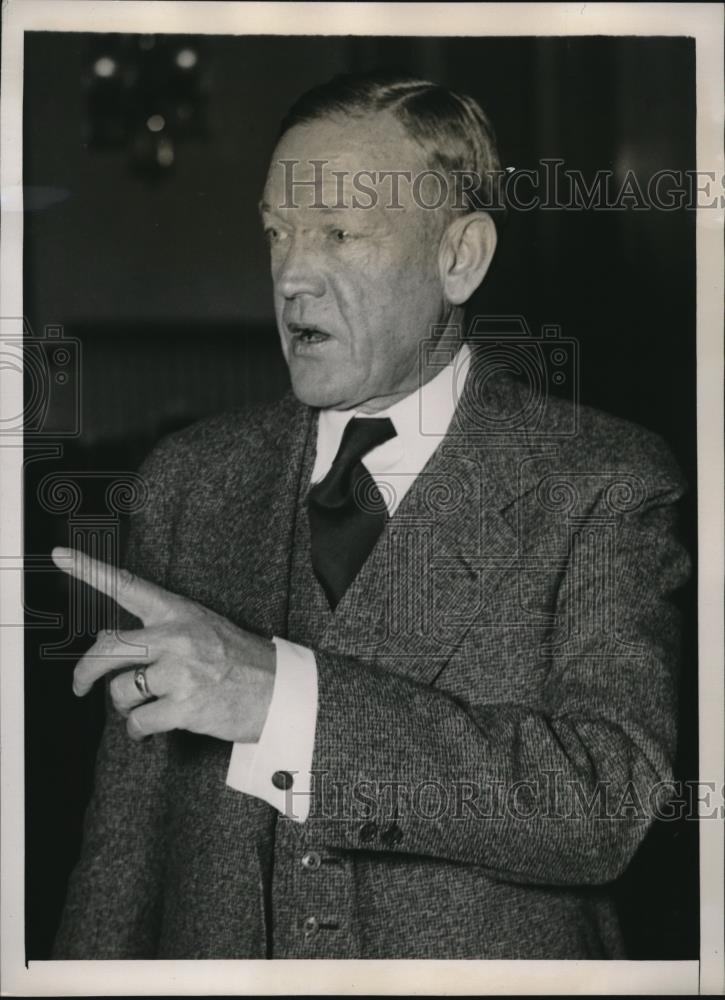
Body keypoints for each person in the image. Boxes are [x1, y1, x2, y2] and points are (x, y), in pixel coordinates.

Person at [52, 71, 690, 960]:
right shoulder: (187, 483)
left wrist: (281, 701)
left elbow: (606, 803)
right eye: (277, 234)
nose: (292, 276)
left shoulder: (599, 482)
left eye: (339, 234)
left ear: (458, 256)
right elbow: (121, 857)